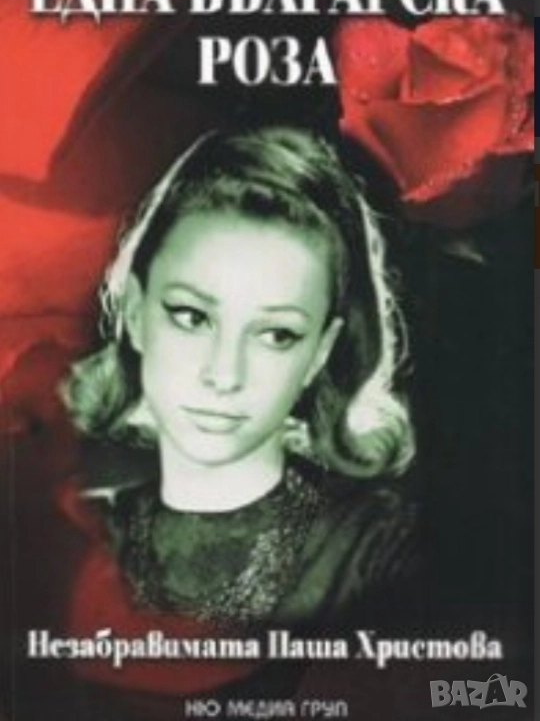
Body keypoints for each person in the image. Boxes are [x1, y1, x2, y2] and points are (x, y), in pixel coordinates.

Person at [52, 126, 421, 710]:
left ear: (319, 354)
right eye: (191, 316)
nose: (224, 375)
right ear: (135, 314)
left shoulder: (376, 550)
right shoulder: (84, 526)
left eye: (277, 334)